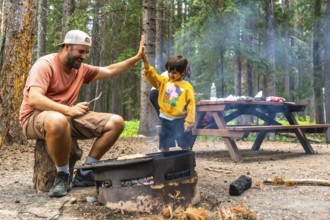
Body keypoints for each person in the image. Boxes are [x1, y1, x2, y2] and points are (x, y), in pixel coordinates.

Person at [19, 30, 144, 197]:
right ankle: (63, 175)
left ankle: (86, 171)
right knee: (58, 120)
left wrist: (136, 58)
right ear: (67, 47)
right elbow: (34, 99)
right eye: (80, 51)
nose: (83, 56)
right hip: (35, 117)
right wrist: (68, 109)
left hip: (66, 116)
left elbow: (110, 70)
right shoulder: (45, 64)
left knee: (116, 122)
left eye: (86, 52)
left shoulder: (81, 69)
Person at [142, 52, 196, 152]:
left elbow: (191, 105)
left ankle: (187, 162)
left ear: (182, 73)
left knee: (185, 145)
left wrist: (189, 121)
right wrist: (146, 64)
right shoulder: (164, 81)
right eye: (169, 71)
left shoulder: (187, 87)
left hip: (180, 121)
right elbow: (153, 77)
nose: (171, 75)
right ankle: (164, 162)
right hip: (166, 120)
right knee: (164, 145)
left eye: (174, 73)